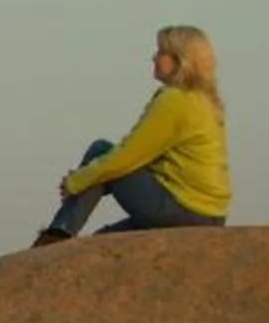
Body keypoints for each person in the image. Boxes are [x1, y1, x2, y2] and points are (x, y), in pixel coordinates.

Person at [33, 25, 231, 245]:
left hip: (183, 210)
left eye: (161, 52)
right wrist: (90, 178)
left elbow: (127, 157)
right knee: (103, 242)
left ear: (180, 60)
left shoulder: (175, 101)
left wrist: (77, 181)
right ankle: (60, 235)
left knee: (101, 151)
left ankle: (58, 234)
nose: (154, 57)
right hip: (210, 215)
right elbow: (149, 159)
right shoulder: (202, 99)